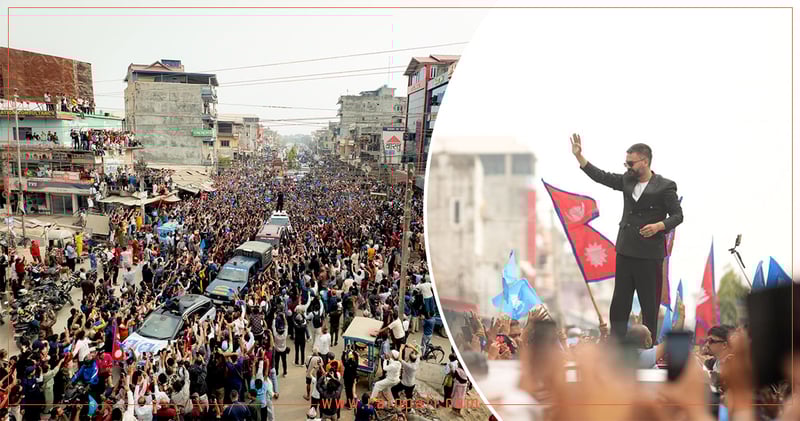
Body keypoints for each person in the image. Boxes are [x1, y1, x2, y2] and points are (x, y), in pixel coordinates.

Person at [571, 134, 683, 343]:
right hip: (626, 250)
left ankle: (648, 346)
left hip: (650, 255)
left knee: (649, 304)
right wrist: (580, 158)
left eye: (631, 163)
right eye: (626, 163)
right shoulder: (626, 180)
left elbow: (678, 216)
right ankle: (616, 346)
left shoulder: (665, 186)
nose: (628, 167)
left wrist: (659, 226)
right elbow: (602, 176)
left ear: (645, 161)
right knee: (619, 303)